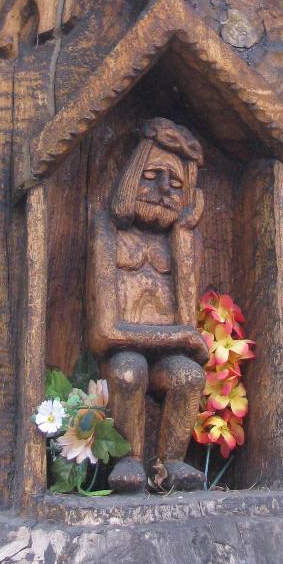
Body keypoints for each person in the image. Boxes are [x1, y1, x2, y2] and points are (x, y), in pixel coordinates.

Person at [87, 118, 208, 493]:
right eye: (152, 176)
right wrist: (181, 338)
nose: (163, 190)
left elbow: (187, 320)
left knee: (189, 376)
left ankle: (172, 461)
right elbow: (105, 333)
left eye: (176, 185)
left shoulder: (183, 242)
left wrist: (183, 236)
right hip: (119, 357)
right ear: (129, 177)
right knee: (129, 369)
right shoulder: (107, 231)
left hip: (164, 359)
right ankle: (129, 458)